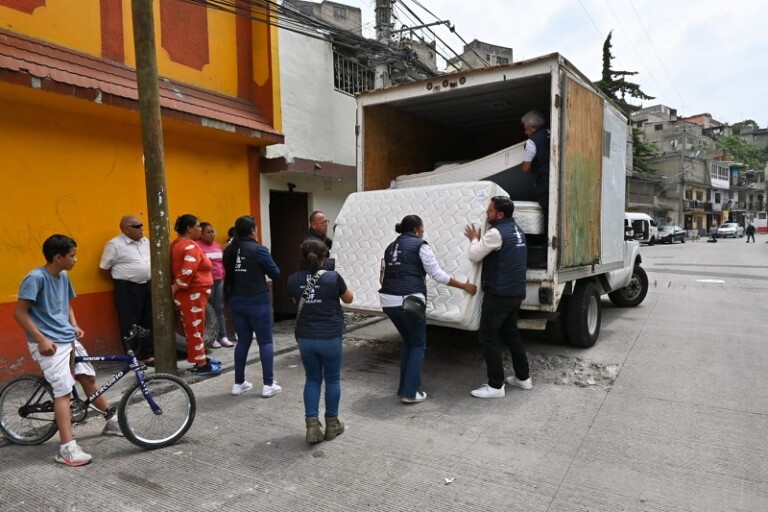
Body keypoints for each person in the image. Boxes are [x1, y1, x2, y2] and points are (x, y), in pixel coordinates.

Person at [14, 235, 123, 467]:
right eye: (72, 255)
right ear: (58, 257)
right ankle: (66, 448)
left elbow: (66, 304)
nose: (76, 259)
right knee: (63, 391)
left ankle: (112, 420)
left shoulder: (63, 276)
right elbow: (20, 313)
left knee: (88, 377)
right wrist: (41, 339)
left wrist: (74, 324)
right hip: (48, 343)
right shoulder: (35, 278)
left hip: (67, 338)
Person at [379, 215, 477, 404]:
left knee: (409, 342)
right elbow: (436, 274)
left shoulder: (390, 247)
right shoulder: (420, 245)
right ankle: (410, 393)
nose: (423, 232)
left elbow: (382, 276)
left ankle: (405, 388)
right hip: (409, 300)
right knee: (418, 344)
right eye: (422, 228)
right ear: (416, 229)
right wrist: (464, 286)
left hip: (387, 300)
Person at [287, 239, 354, 443]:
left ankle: (312, 427)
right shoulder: (333, 277)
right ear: (324, 257)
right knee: (332, 379)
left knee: (312, 378)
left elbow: (295, 302)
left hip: (306, 337)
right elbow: (349, 299)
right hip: (330, 336)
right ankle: (332, 425)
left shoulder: (292, 279)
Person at [464, 196, 530, 399]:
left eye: (490, 211)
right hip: (516, 292)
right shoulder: (517, 230)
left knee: (487, 337)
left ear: (500, 214)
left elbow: (474, 255)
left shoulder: (495, 233)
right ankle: (523, 378)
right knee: (511, 334)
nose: (487, 213)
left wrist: (475, 238)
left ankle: (495, 385)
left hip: (499, 294)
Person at [223, 215, 282, 397]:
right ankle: (268, 385)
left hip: (236, 301)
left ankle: (238, 383)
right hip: (257, 301)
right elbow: (276, 273)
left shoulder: (229, 251)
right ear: (252, 231)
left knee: (243, 341)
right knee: (265, 341)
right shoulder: (259, 250)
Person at [99, 215, 155, 365]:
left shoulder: (146, 242)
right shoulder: (115, 245)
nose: (141, 229)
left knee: (148, 319)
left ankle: (148, 354)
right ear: (125, 229)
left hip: (147, 285)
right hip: (127, 288)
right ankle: (134, 358)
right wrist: (123, 279)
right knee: (130, 323)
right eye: (136, 226)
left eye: (141, 225)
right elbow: (104, 268)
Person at [171, 214, 220, 376]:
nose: (201, 229)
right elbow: (187, 271)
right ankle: (201, 364)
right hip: (191, 293)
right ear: (189, 228)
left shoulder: (180, 244)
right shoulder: (189, 246)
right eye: (198, 226)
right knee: (195, 329)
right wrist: (176, 287)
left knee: (196, 327)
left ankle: (201, 358)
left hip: (194, 293)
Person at [198, 222, 234, 348]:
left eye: (213, 231)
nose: (212, 234)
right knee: (208, 310)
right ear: (201, 234)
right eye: (208, 232)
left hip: (219, 280)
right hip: (206, 282)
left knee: (219, 308)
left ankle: (223, 336)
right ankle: (211, 338)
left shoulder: (218, 246)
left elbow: (222, 263)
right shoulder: (197, 247)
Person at [520, 111, 551, 224]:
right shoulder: (553, 132)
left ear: (533, 127)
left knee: (548, 216)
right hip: (560, 180)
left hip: (545, 184)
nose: (525, 132)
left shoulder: (532, 142)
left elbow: (526, 167)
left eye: (526, 129)